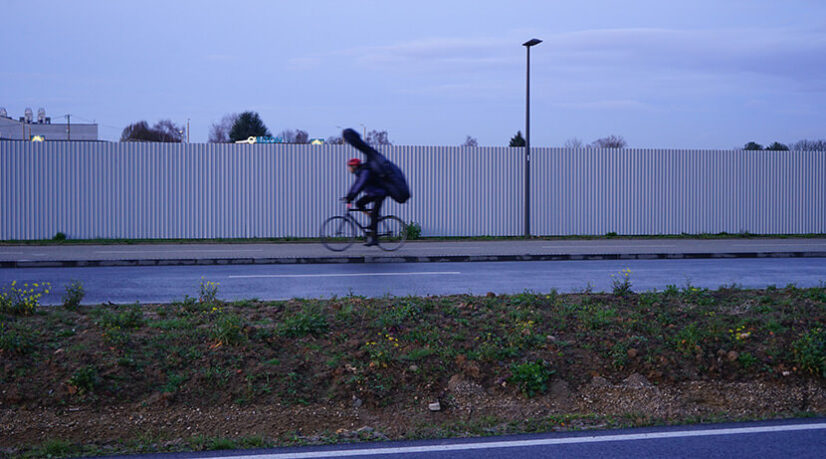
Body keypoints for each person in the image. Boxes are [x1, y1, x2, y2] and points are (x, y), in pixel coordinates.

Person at [343, 158, 388, 246]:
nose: (349, 169)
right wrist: (349, 196)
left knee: (375, 214)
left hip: (380, 193)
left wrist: (352, 196)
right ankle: (371, 216)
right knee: (359, 203)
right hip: (372, 194)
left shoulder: (365, 172)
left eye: (350, 167)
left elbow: (360, 184)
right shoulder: (359, 173)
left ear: (354, 166)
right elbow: (356, 185)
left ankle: (374, 239)